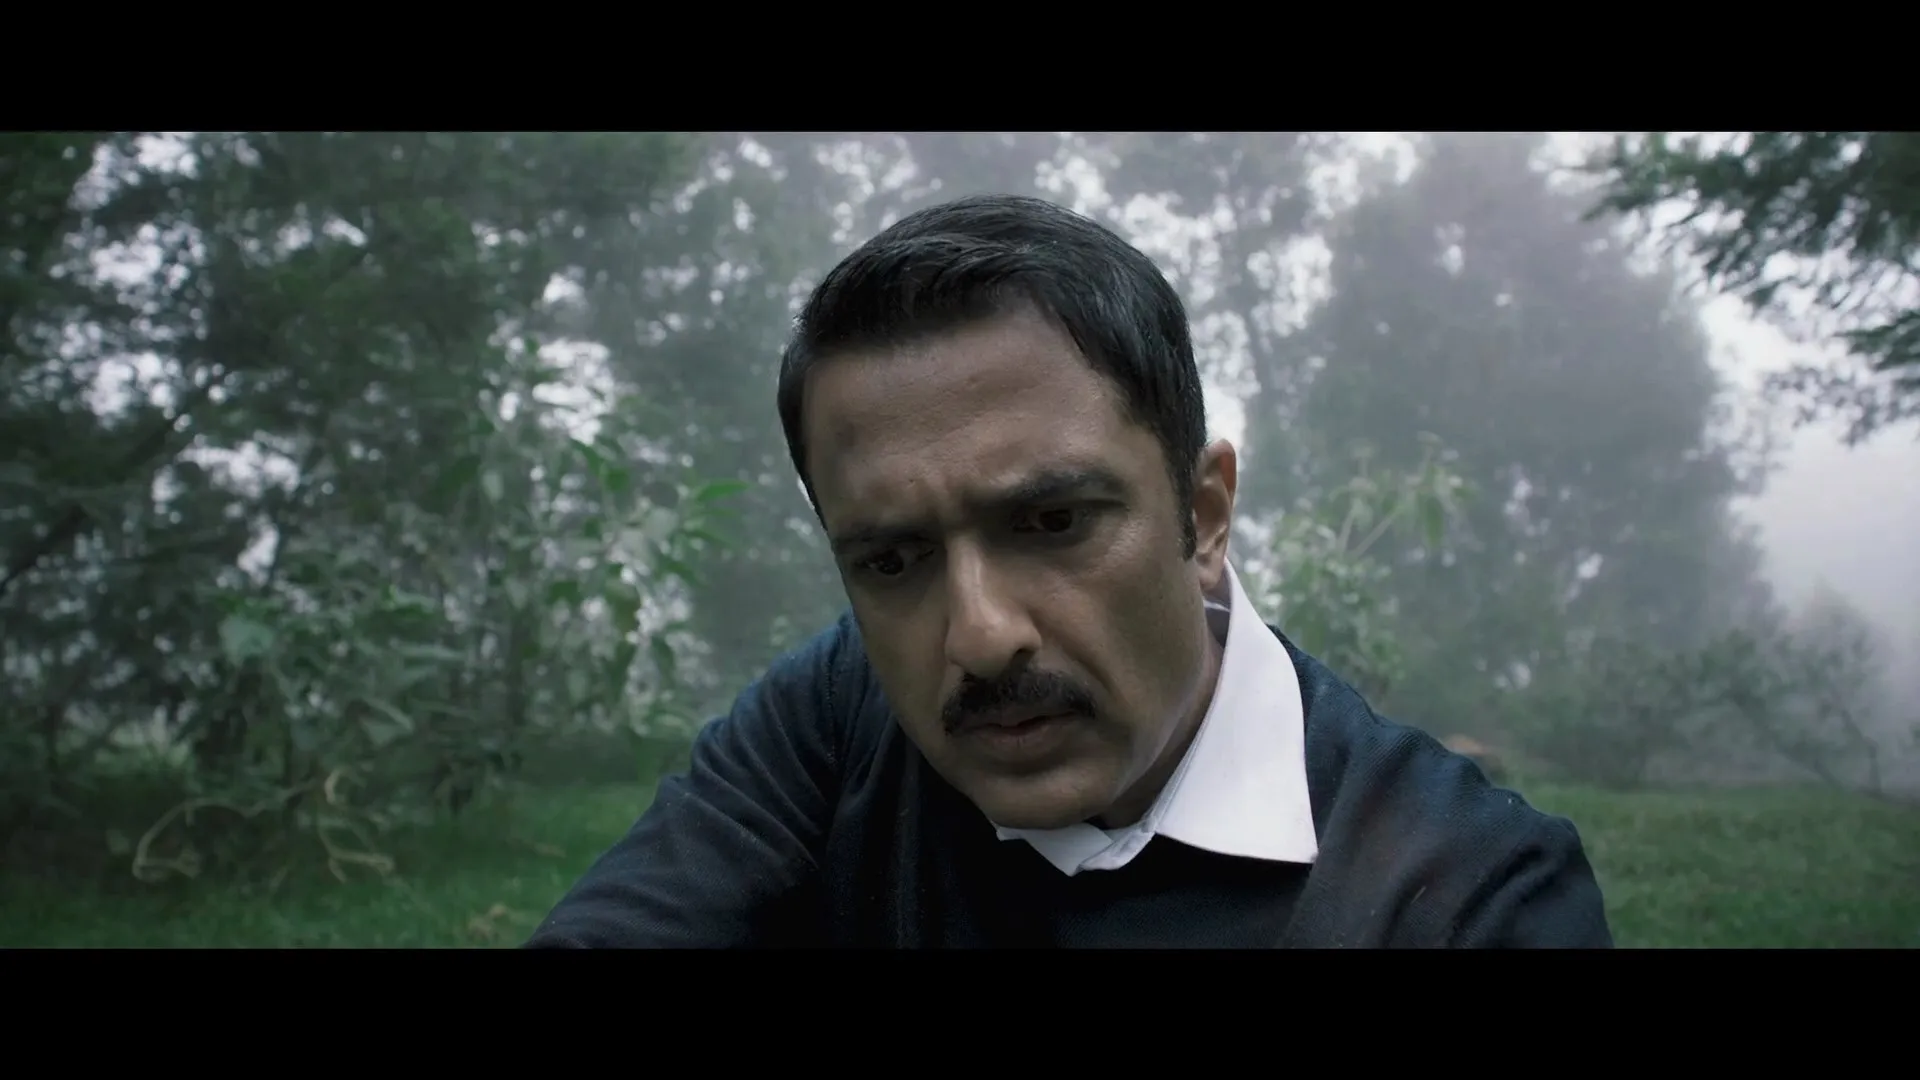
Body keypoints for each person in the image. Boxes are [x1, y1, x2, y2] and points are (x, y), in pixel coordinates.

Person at [525, 193, 1614, 948]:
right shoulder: (841, 711)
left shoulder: (1466, 897)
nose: (979, 634)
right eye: (893, 559)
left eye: (1051, 522)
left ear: (1204, 513)